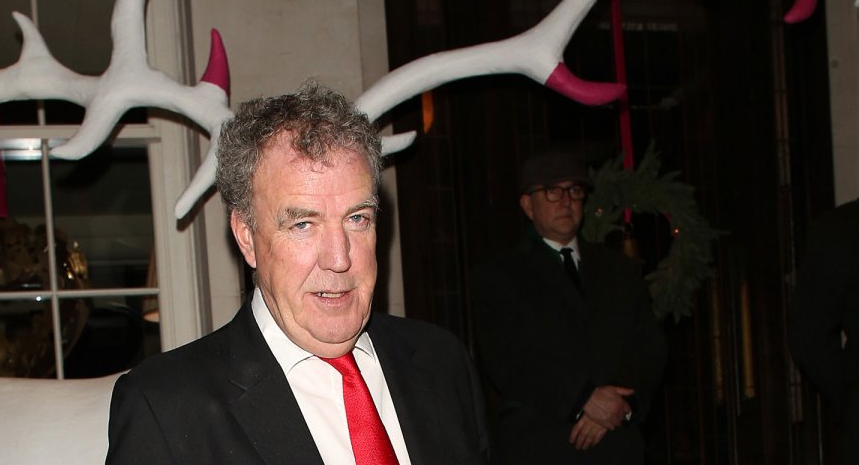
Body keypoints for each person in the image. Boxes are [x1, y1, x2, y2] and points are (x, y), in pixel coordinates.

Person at [106, 82, 490, 464]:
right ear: (246, 236)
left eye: (357, 219)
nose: (339, 259)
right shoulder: (164, 408)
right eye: (303, 224)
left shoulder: (443, 363)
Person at [471, 150, 666, 464]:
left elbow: (650, 349)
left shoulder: (620, 270)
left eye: (574, 190)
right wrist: (583, 399)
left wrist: (621, 407)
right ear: (527, 205)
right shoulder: (500, 277)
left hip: (617, 446)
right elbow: (507, 359)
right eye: (552, 191)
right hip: (541, 446)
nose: (566, 201)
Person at [789, 199, 859, 464]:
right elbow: (808, 339)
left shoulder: (841, 228)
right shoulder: (841, 229)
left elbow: (808, 338)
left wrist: (849, 398)